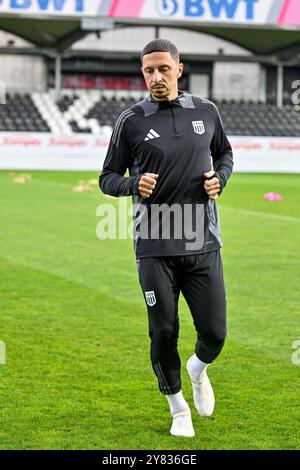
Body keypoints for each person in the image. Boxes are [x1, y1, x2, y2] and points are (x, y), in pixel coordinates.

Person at [99, 39, 233, 438]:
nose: (155, 78)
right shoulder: (132, 119)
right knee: (163, 330)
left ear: (178, 68)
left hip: (203, 242)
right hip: (155, 246)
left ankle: (197, 369)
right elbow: (107, 177)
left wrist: (219, 180)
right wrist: (132, 185)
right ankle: (178, 409)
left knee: (215, 333)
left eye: (162, 69)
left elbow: (224, 154)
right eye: (147, 71)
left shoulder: (206, 111)